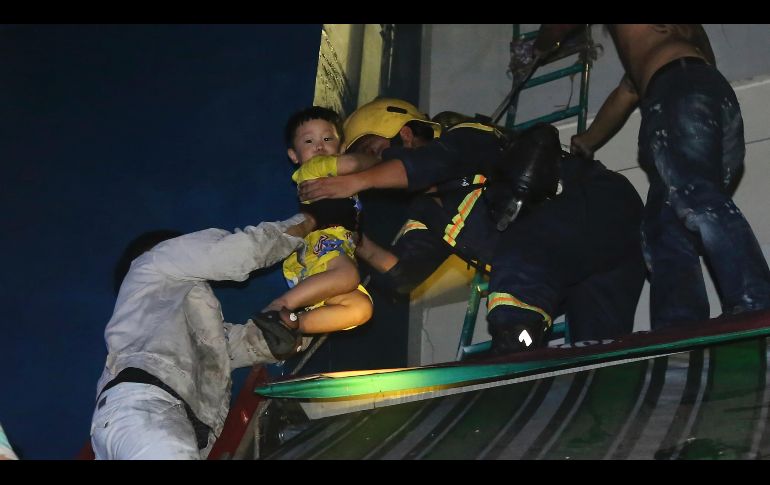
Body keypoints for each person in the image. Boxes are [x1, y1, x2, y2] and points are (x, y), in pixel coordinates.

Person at [300, 97, 646, 355]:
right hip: (593, 264)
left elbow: (426, 165)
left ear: (405, 135)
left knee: (520, 258)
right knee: (597, 354)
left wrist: (349, 178)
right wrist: (356, 241)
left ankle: (512, 351)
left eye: (375, 150)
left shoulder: (467, 137)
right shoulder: (427, 211)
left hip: (598, 206)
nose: (371, 165)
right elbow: (404, 272)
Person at [532, 24, 770, 328]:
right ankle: (678, 325)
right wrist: (589, 139)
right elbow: (628, 92)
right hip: (704, 103)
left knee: (694, 197)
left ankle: (755, 301)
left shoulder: (661, 51)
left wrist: (541, 45)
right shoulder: (658, 45)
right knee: (663, 226)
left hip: (679, 94)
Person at [91, 214, 320, 460]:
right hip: (146, 408)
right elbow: (237, 253)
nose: (192, 245)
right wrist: (308, 222)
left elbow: (246, 346)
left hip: (154, 422)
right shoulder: (154, 260)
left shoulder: (190, 330)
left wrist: (301, 326)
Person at [261, 106, 373, 334]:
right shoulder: (316, 166)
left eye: (327, 138)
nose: (319, 146)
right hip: (322, 243)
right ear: (294, 155)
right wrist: (381, 159)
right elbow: (353, 164)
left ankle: (291, 325)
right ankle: (278, 307)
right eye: (309, 141)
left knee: (360, 308)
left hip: (334, 251)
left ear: (341, 147)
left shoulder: (337, 177)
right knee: (348, 275)